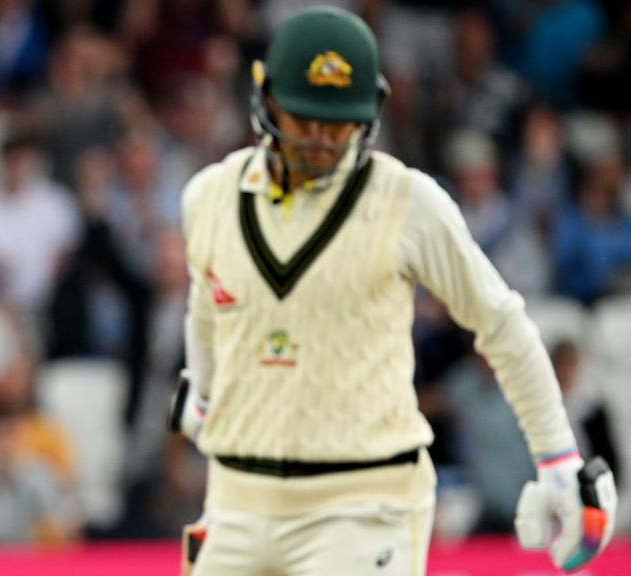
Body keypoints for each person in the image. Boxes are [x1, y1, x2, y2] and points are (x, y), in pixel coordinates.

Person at [168, 6, 617, 575]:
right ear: (264, 97)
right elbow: (207, 306)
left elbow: (501, 323)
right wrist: (202, 389)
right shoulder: (207, 198)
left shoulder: (408, 203)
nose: (320, 139)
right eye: (305, 117)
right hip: (235, 498)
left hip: (362, 506)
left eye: (339, 122)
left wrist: (558, 459)